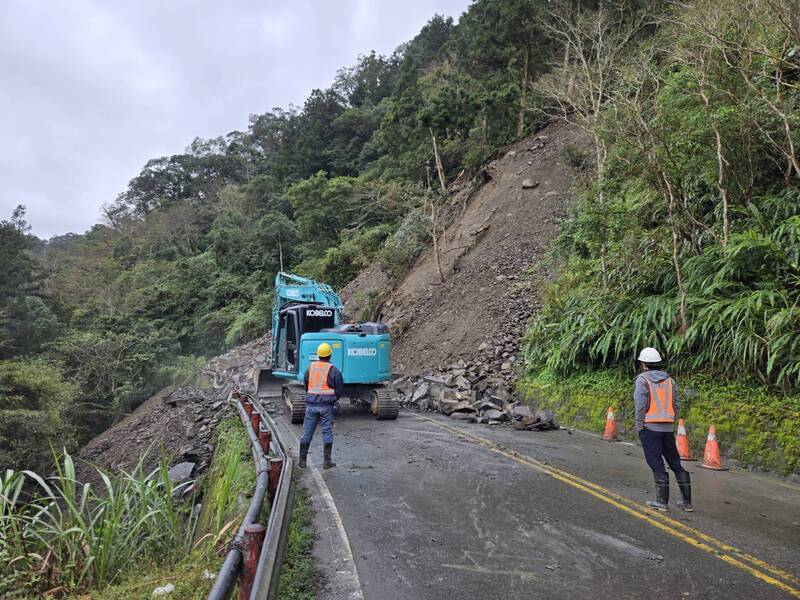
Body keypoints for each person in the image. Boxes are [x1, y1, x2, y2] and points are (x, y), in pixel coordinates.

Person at [634, 347, 693, 512]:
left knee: (656, 463)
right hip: (667, 428)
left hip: (649, 427)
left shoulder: (642, 380)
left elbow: (640, 406)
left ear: (644, 364)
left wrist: (639, 426)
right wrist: (670, 422)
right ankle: (687, 502)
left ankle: (662, 502)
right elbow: (676, 405)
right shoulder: (670, 381)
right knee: (675, 463)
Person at [298, 342, 344, 469]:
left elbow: (306, 387)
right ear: (330, 355)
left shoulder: (310, 368)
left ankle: (302, 462)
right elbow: (339, 390)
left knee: (307, 433)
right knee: (327, 432)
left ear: (318, 355)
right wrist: (333, 399)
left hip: (311, 406)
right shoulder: (334, 370)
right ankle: (327, 462)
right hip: (326, 407)